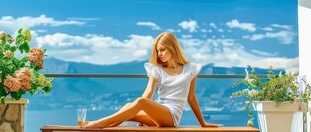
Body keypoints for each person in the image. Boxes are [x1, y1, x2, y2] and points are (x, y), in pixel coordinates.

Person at [82, 32, 220, 128]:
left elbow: (191, 98)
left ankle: (99, 123)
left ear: (172, 48)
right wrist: (137, 110)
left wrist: (203, 123)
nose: (159, 54)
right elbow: (148, 92)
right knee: (127, 108)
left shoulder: (190, 69)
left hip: (171, 116)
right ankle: (99, 127)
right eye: (157, 51)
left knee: (139, 103)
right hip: (158, 114)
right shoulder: (157, 70)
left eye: (162, 50)